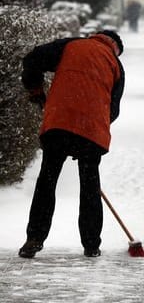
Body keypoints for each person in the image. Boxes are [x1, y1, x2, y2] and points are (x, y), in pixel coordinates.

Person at [18, 30, 125, 258]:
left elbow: (32, 59)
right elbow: (113, 110)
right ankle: (91, 245)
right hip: (91, 131)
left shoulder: (70, 45)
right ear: (116, 48)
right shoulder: (116, 65)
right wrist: (92, 125)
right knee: (89, 186)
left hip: (59, 122)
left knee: (47, 180)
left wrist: (36, 90)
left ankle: (33, 239)